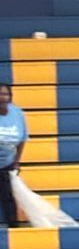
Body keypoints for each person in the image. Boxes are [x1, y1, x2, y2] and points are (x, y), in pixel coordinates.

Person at [0, 82, 27, 228]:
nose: (2, 97)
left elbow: (22, 139)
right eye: (0, 94)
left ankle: (14, 228)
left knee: (9, 197)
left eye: (5, 94)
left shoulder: (17, 113)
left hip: (7, 163)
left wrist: (17, 161)